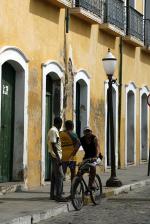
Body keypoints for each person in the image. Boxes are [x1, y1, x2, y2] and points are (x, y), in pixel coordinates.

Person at [47, 117, 67, 202]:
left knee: (55, 176)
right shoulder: (53, 131)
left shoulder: (55, 131)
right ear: (60, 123)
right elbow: (54, 144)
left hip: (56, 155)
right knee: (60, 175)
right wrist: (58, 158)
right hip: (55, 156)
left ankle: (53, 195)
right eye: (61, 123)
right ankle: (59, 195)